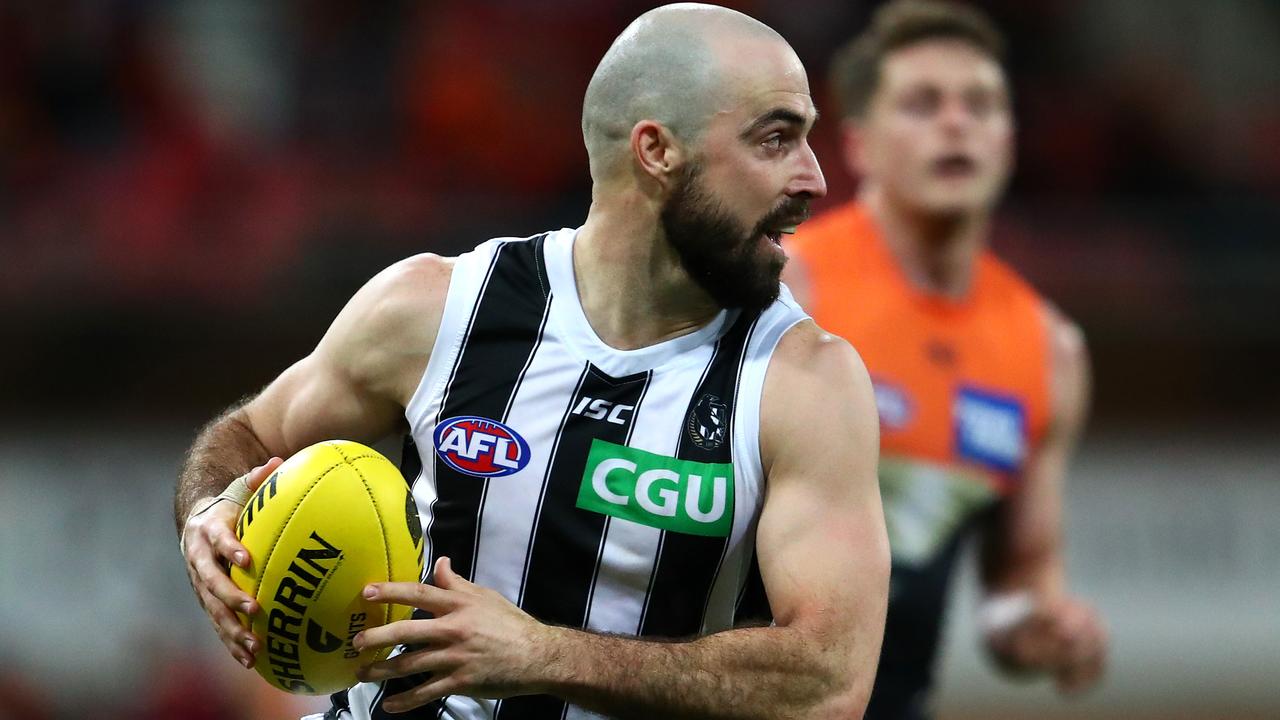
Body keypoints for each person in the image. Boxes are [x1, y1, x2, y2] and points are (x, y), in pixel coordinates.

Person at [175, 4, 890, 719]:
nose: (815, 179)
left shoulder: (804, 386)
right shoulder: (434, 310)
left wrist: (544, 655)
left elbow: (829, 685)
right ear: (657, 151)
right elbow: (251, 438)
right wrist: (208, 511)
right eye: (775, 140)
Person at [781, 2, 1108, 719]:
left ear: (1009, 141)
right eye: (923, 104)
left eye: (981, 104)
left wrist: (1046, 626)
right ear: (859, 144)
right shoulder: (784, 289)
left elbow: (1016, 588)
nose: (956, 123)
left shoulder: (1048, 351)